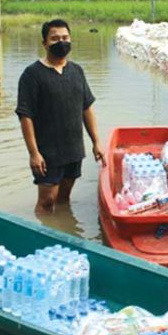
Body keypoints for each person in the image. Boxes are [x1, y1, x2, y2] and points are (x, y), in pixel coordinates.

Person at [15, 19, 106, 214]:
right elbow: (25, 116)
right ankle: (42, 237)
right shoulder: (32, 75)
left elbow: (87, 108)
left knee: (64, 198)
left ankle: (64, 229)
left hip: (73, 149)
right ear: (44, 43)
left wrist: (96, 141)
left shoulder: (76, 71)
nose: (61, 42)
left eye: (65, 38)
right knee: (47, 201)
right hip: (48, 152)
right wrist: (34, 153)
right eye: (55, 38)